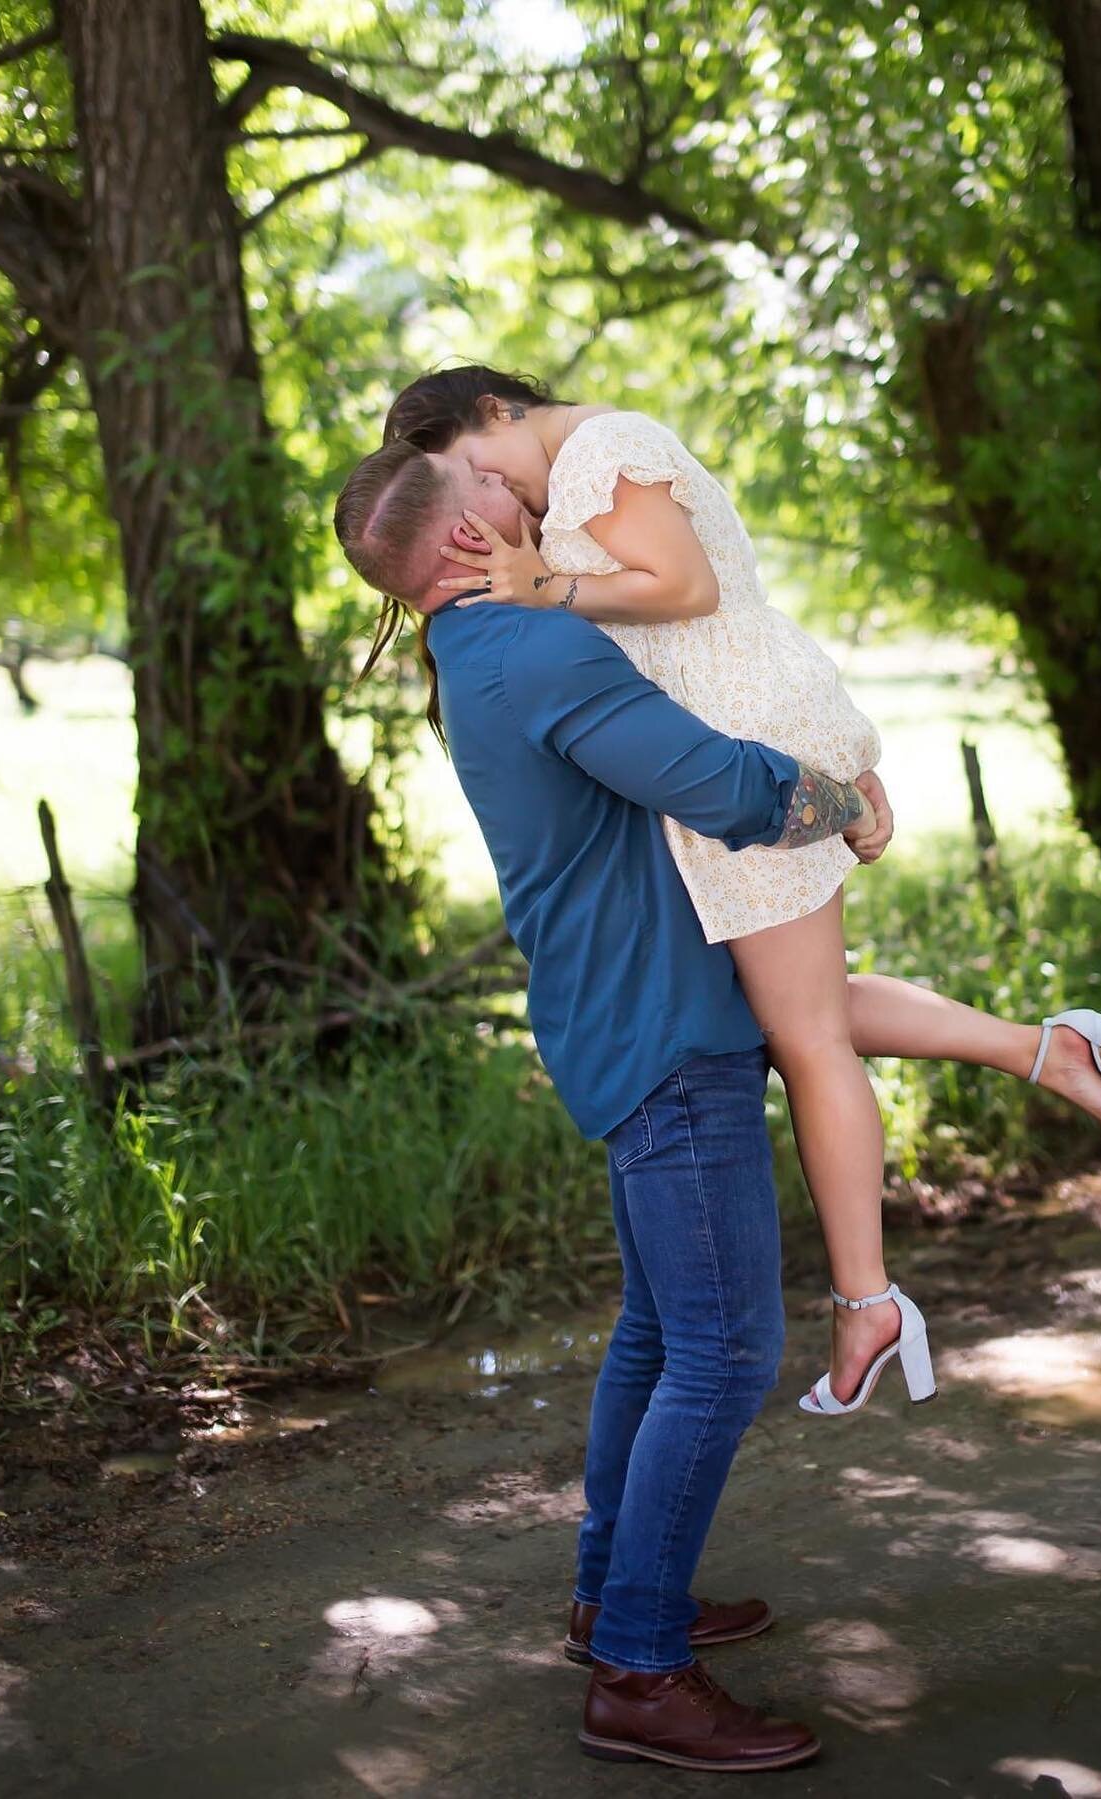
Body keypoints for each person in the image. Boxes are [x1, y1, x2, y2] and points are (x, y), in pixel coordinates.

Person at [374, 365, 1101, 1417]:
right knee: (794, 1006)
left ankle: (867, 1297)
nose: (486, 500)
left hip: (749, 755)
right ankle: (1046, 1049)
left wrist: (545, 588)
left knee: (806, 1038)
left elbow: (688, 591)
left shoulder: (601, 450)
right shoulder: (558, 491)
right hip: (723, 756)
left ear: (497, 412)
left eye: (474, 468)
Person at [335, 436, 878, 1770]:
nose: (521, 496)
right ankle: (639, 1666)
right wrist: (845, 799)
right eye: (494, 494)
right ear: (463, 539)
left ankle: (608, 1590)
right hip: (660, 1029)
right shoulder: (533, 651)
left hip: (616, 1013)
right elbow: (711, 780)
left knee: (656, 1329)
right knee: (729, 1345)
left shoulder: (481, 653)